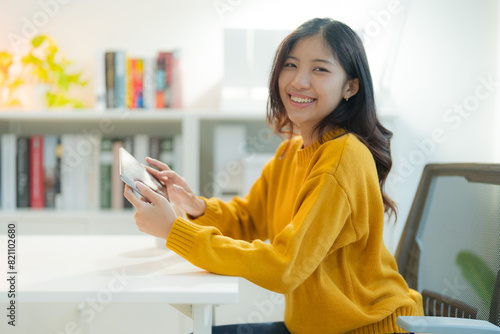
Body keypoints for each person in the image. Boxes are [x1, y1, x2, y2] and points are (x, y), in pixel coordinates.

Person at [124, 17, 423, 334]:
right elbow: (248, 220)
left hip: (367, 328)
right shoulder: (289, 154)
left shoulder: (343, 158)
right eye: (290, 65)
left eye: (320, 69)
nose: (298, 81)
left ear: (351, 86)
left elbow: (285, 266)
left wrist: (174, 231)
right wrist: (196, 207)